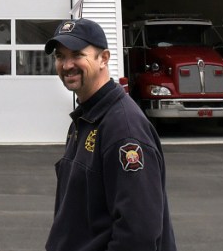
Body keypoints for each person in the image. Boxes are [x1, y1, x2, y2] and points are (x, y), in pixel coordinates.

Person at [44, 18, 176, 251]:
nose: (66, 65)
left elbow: (138, 236)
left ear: (103, 58)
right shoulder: (85, 119)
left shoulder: (124, 130)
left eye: (76, 55)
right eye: (60, 56)